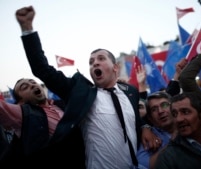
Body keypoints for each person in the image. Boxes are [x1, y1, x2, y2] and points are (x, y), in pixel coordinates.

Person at [15, 6, 159, 169]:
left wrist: (145, 127)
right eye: (91, 62)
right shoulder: (80, 93)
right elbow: (42, 69)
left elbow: (135, 118)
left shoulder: (130, 92)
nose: (94, 63)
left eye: (101, 58)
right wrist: (27, 29)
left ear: (115, 67)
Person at [0, 78, 85, 168]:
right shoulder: (23, 114)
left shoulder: (63, 104)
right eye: (25, 87)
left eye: (33, 82)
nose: (32, 85)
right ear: (21, 102)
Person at [137, 91, 177, 169]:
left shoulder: (189, 127)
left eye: (164, 105)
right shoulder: (149, 138)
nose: (160, 111)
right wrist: (174, 141)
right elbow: (143, 165)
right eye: (154, 109)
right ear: (150, 118)